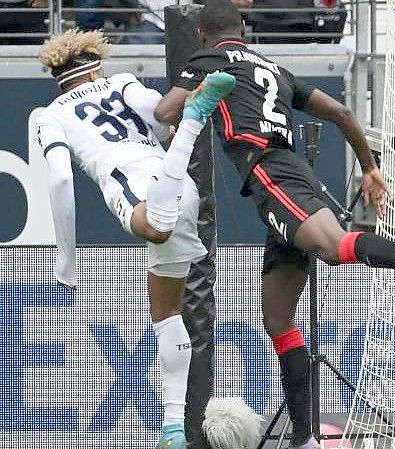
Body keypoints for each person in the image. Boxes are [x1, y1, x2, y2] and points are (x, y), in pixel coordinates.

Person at [153, 3, 395, 448]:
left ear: (201, 34)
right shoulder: (274, 67)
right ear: (243, 27)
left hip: (271, 170)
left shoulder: (209, 59)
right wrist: (369, 168)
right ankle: (305, 440)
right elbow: (342, 113)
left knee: (331, 246)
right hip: (287, 172)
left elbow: (164, 110)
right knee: (278, 318)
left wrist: (187, 104)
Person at [36, 29, 235, 449]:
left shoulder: (49, 113)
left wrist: (66, 260)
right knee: (166, 312)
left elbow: (59, 179)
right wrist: (177, 122)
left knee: (155, 228)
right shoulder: (123, 81)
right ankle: (173, 425)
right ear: (94, 69)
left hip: (138, 189)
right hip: (178, 184)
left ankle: (196, 118)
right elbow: (162, 118)